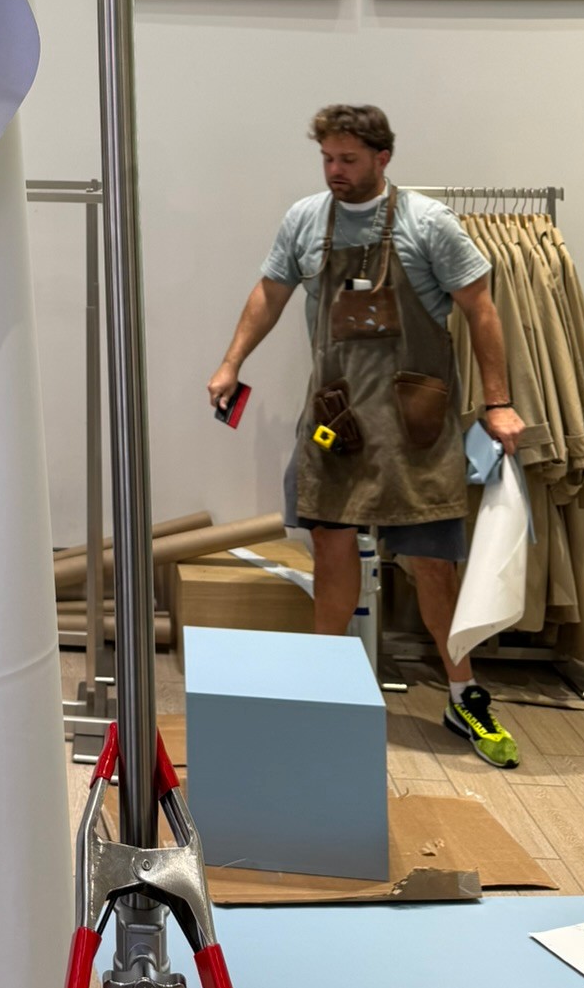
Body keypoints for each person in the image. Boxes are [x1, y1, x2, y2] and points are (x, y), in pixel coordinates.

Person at [209, 105, 527, 768]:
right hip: (337, 420)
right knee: (331, 551)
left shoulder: (428, 224)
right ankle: (324, 688)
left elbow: (481, 310)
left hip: (416, 425)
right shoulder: (306, 219)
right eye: (328, 158)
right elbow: (270, 292)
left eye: (348, 160)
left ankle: (462, 693)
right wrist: (232, 361)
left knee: (433, 565)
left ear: (383, 158)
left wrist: (498, 404)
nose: (335, 171)